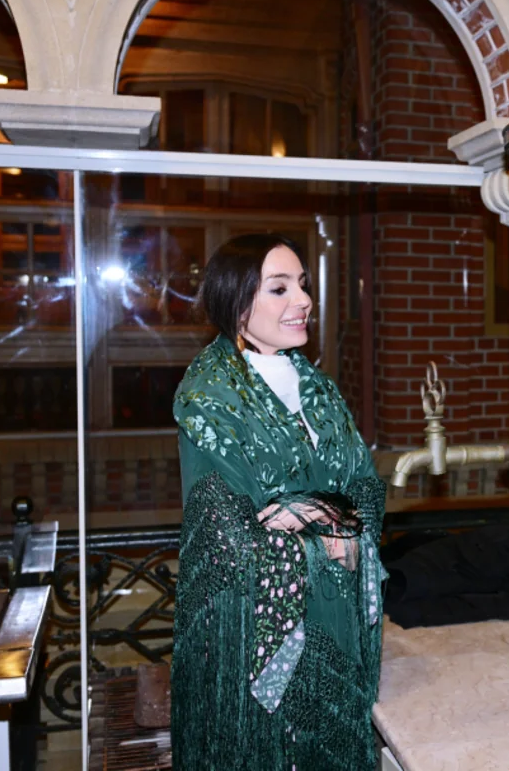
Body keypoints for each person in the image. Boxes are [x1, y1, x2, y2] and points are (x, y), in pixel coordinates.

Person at [170, 233, 386, 770]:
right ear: (237, 301)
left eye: (303, 285)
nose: (304, 300)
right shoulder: (208, 396)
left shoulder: (319, 389)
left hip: (337, 619)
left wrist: (321, 516)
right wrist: (325, 539)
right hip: (255, 639)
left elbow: (365, 486)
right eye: (280, 288)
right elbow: (226, 537)